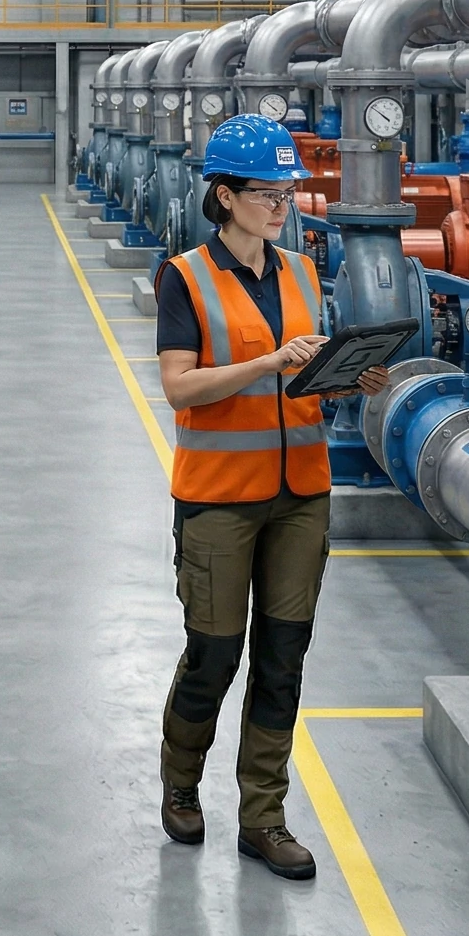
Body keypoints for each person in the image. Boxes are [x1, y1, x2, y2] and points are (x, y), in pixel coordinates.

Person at [150, 112, 385, 881]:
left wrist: (352, 373)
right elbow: (181, 387)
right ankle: (182, 783)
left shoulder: (304, 270)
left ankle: (265, 816)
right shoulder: (185, 277)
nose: (280, 202)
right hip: (219, 497)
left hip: (301, 495)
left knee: (283, 658)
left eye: (286, 189)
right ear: (222, 197)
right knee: (214, 655)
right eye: (263, 190)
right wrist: (268, 364)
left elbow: (303, 377)